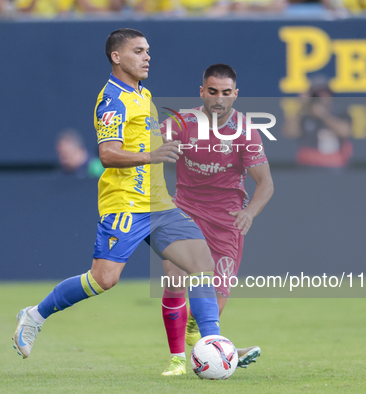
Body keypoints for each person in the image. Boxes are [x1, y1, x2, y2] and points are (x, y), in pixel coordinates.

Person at [13, 28, 223, 364]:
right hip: (125, 204)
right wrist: (151, 156)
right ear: (117, 57)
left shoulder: (143, 94)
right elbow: (108, 154)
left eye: (148, 51)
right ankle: (35, 315)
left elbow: (147, 141)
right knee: (103, 279)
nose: (147, 57)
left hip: (159, 205)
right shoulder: (112, 99)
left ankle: (214, 343)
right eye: (138, 51)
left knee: (202, 264)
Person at [158, 64, 275, 375]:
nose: (219, 99)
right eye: (212, 92)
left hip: (227, 222)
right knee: (174, 279)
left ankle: (208, 345)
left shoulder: (246, 131)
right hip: (184, 212)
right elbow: (147, 152)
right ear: (202, 92)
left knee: (215, 304)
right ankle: (177, 359)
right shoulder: (181, 124)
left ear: (235, 94)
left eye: (226, 93)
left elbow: (266, 183)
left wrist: (249, 212)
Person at [282, 76, 353, 169]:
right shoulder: (305, 117)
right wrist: (300, 106)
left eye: (324, 93)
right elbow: (290, 133)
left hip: (333, 167)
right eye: (317, 94)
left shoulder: (340, 114)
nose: (321, 97)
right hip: (308, 167)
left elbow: (345, 131)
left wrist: (323, 115)